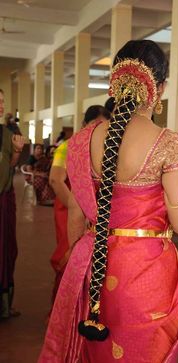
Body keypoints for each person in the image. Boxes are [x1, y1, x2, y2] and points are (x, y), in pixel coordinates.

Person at [38, 40, 178, 363]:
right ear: (160, 87)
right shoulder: (168, 143)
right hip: (146, 271)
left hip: (94, 264)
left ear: (115, 82)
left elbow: (77, 214)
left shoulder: (84, 140)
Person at [49, 105, 111, 303]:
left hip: (90, 213)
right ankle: (60, 309)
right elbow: (55, 180)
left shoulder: (102, 148)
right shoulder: (68, 146)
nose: (98, 129)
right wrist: (79, 206)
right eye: (95, 124)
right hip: (69, 208)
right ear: (84, 124)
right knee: (68, 255)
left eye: (103, 125)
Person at [0, 88, 25, 319]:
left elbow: (9, 167)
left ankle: (3, 306)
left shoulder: (7, 134)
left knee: (4, 249)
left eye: (2, 101)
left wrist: (17, 152)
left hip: (3, 199)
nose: (0, 105)